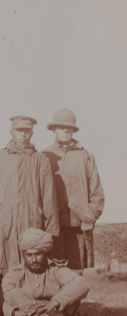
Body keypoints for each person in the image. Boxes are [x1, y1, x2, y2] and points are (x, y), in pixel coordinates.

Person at [0, 116, 59, 278]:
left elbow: (49, 197)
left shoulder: (40, 160)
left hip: (31, 224)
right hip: (2, 225)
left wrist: (51, 230)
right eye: (19, 131)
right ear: (11, 132)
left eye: (26, 131)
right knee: (0, 268)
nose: (23, 135)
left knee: (30, 268)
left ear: (32, 134)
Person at [1, 228, 89, 316]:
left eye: (38, 254)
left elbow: (82, 284)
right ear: (23, 255)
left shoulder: (56, 270)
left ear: (46, 253)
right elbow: (4, 299)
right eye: (29, 255)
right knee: (14, 294)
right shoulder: (15, 274)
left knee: (71, 297)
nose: (34, 259)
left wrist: (54, 303)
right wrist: (19, 314)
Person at [42, 109, 104, 270]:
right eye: (61, 127)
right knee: (55, 269)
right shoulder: (44, 156)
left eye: (69, 127)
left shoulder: (86, 156)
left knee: (80, 269)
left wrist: (89, 218)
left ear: (74, 130)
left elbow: (97, 192)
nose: (65, 130)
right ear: (53, 129)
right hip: (54, 224)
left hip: (80, 225)